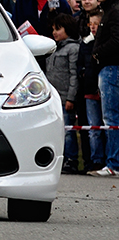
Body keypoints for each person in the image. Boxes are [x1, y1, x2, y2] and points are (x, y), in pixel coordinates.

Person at [88, 0, 119, 177]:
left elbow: (117, 41)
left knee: (112, 118)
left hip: (111, 70)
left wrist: (97, 54)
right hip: (109, 70)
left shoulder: (115, 11)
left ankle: (113, 164)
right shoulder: (110, 10)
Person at [45, 13, 81, 174]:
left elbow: (74, 74)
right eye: (53, 29)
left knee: (68, 130)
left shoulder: (73, 48)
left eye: (58, 29)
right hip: (53, 98)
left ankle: (71, 159)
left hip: (66, 97)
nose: (54, 32)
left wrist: (71, 97)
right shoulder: (53, 48)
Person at [78, 9, 106, 172]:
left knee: (107, 127)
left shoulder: (106, 44)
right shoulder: (86, 43)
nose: (93, 27)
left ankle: (108, 159)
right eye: (91, 24)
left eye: (97, 24)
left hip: (103, 88)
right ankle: (96, 160)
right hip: (89, 89)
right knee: (93, 128)